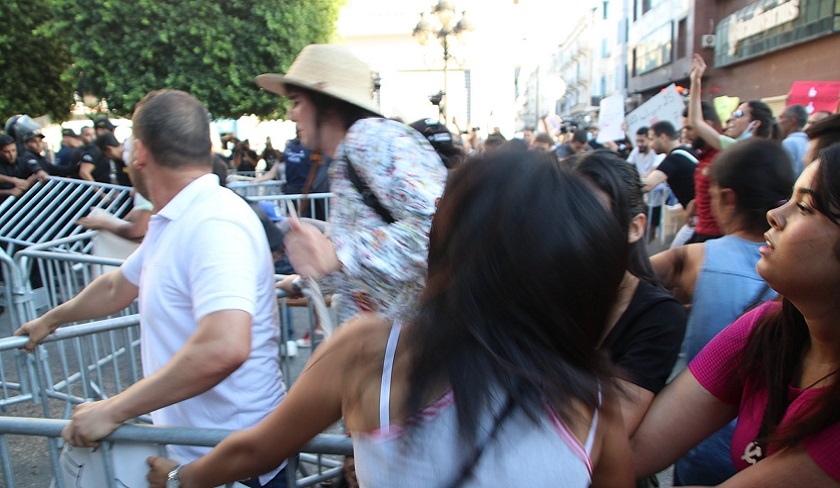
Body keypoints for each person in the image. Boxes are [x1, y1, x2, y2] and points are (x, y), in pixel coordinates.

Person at [147, 147, 634, 488]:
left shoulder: (372, 352)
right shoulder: (593, 403)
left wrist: (178, 478)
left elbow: (257, 451)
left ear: (454, 243)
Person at [14, 90, 289, 488]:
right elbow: (117, 286)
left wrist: (114, 410)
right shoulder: (180, 216)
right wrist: (50, 319)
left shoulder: (214, 222)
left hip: (231, 464)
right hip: (199, 457)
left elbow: (224, 346)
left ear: (139, 152)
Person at [633, 142, 840, 486]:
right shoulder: (765, 329)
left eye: (804, 207)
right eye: (787, 198)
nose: (776, 215)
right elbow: (634, 450)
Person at [257, 44, 447, 324]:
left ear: (328, 104)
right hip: (385, 353)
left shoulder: (367, 137)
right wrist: (304, 282)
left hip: (413, 353)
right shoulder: (348, 157)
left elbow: (438, 230)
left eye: (296, 101)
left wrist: (336, 253)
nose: (291, 114)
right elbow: (374, 269)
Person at [650, 138, 794, 485]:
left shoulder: (696, 258)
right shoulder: (800, 273)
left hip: (698, 444)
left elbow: (626, 276)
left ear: (727, 198)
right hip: (770, 456)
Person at [572, 150, 687, 441]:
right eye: (565, 215)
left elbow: (606, 435)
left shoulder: (660, 316)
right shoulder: (540, 293)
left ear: (634, 228)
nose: (572, 230)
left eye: (590, 216)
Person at [688, 54, 775, 151]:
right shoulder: (737, 148)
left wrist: (696, 81)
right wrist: (695, 80)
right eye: (733, 113)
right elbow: (695, 121)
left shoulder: (746, 151)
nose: (732, 118)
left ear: (755, 124)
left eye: (739, 114)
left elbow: (696, 122)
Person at [682, 102, 725, 244]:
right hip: (702, 232)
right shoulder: (703, 156)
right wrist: (697, 202)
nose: (685, 134)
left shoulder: (723, 157)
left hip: (715, 237)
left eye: (689, 128)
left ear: (705, 125)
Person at [643, 121, 697, 211]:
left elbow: (647, 185)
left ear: (663, 137)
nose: (650, 145)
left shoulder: (674, 159)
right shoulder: (688, 151)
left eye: (652, 139)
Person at [626, 126, 666, 240]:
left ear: (648, 140)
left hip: (655, 195)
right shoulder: (636, 152)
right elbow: (627, 166)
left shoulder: (657, 154)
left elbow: (654, 173)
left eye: (642, 141)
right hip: (641, 194)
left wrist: (640, 176)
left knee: (651, 224)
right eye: (637, 141)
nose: (639, 144)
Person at [0, 133, 47, 201]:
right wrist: (9, 191)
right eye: (6, 152)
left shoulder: (21, 161)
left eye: (13, 150)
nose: (11, 154)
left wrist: (37, 172)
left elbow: (33, 168)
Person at [778, 104, 809, 176]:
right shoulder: (809, 141)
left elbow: (785, 174)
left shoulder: (788, 143)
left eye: (781, 117)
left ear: (793, 121)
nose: (778, 121)